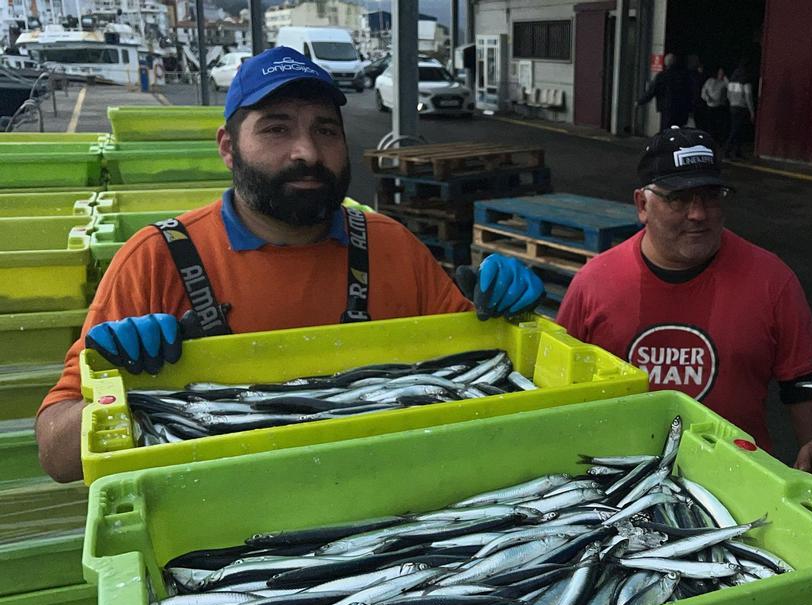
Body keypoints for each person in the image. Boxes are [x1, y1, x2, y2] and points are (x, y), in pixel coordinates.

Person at [35, 47, 544, 483]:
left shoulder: (395, 249)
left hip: (388, 510)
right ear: (228, 149)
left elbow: (481, 379)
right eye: (276, 129)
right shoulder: (155, 261)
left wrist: (507, 317)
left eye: (326, 130)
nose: (307, 151)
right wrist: (117, 394)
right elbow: (55, 453)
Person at [557, 126, 812, 458]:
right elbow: (558, 382)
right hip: (620, 480)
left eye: (711, 196)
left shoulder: (772, 281)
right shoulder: (594, 284)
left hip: (738, 480)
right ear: (642, 204)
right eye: (679, 198)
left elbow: (802, 384)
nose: (698, 214)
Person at [637, 53, 692, 131]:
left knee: (666, 130)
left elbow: (652, 91)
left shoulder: (662, 76)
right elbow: (689, 92)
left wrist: (640, 101)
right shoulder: (683, 76)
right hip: (680, 108)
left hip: (666, 107)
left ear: (665, 63)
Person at [723, 62, 755, 159]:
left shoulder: (732, 82)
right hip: (742, 108)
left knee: (735, 129)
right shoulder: (745, 82)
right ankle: (729, 150)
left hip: (733, 107)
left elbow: (728, 95)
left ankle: (736, 151)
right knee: (738, 131)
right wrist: (752, 112)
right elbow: (748, 98)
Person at [700, 66, 729, 143]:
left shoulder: (724, 83)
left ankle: (718, 140)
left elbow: (729, 89)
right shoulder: (710, 81)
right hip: (710, 106)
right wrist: (707, 97)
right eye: (719, 73)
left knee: (718, 125)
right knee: (710, 125)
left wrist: (726, 79)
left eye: (722, 73)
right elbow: (704, 91)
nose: (720, 75)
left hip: (720, 107)